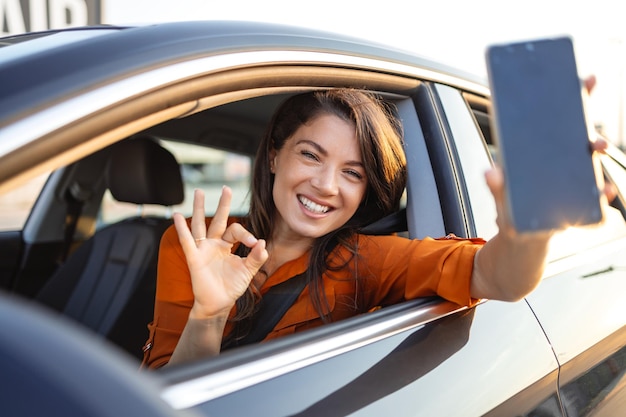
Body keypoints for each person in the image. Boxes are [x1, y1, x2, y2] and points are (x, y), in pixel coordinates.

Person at [141, 87, 605, 369]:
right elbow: (163, 391)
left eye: (353, 172)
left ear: (366, 191)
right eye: (311, 155)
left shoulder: (368, 260)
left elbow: (497, 277)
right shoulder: (200, 246)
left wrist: (528, 228)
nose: (325, 185)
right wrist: (209, 314)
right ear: (276, 154)